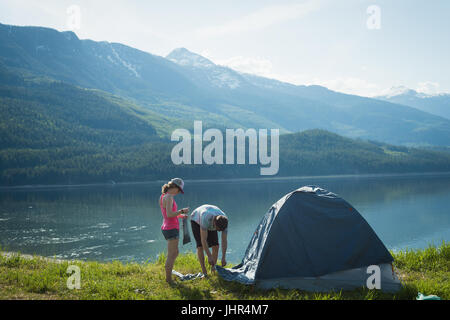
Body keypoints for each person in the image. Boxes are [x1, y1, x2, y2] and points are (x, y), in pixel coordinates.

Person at [159, 178, 189, 284]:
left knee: (175, 253)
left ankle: (169, 271)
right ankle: (168, 279)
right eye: (179, 190)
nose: (178, 192)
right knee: (172, 254)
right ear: (174, 187)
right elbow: (169, 214)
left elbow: (168, 215)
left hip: (167, 226)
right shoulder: (169, 197)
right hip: (171, 228)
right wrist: (181, 210)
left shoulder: (163, 196)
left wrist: (181, 215)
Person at [190, 204, 228, 275]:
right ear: (214, 223)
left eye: (220, 230)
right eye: (217, 229)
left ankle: (213, 269)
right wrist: (209, 256)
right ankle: (204, 271)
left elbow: (224, 241)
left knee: (216, 246)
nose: (218, 231)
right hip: (196, 219)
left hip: (211, 221)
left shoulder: (225, 221)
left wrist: (223, 257)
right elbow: (203, 240)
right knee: (200, 246)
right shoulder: (205, 218)